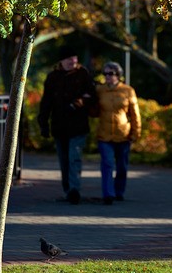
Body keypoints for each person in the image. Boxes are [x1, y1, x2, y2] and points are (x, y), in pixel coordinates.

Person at [38, 45, 96, 204]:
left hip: (78, 125)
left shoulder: (83, 74)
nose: (73, 61)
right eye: (69, 59)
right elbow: (46, 102)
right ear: (61, 61)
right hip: (59, 125)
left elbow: (92, 95)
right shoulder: (52, 77)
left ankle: (74, 189)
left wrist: (78, 102)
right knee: (64, 160)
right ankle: (67, 189)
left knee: (74, 157)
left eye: (74, 58)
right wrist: (43, 123)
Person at [94, 61, 141, 205]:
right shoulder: (100, 90)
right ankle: (108, 194)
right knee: (107, 164)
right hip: (105, 135)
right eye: (105, 74)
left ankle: (119, 191)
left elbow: (134, 114)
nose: (107, 77)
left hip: (123, 134)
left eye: (111, 74)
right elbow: (93, 109)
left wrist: (135, 133)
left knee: (122, 167)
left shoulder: (128, 90)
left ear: (118, 75)